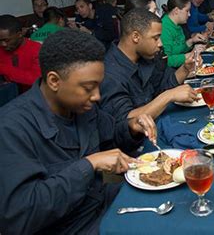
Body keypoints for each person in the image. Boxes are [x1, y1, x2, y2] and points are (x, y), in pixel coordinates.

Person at [0, 29, 157, 234]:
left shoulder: (81, 107)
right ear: (54, 81)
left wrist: (131, 127)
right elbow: (20, 215)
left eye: (99, 86)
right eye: (88, 88)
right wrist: (89, 165)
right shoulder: (12, 127)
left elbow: (112, 136)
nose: (97, 96)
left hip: (99, 205)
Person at [99, 8, 200, 121]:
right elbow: (124, 121)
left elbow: (162, 88)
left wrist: (185, 69)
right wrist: (168, 96)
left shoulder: (145, 56)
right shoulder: (110, 74)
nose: (160, 43)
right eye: (155, 38)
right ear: (136, 37)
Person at [161, 0, 208, 67]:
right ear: (176, 10)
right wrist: (191, 54)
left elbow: (179, 49)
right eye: (187, 11)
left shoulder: (178, 24)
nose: (189, 14)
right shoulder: (164, 28)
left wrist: (191, 41)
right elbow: (166, 61)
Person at [0, 14, 41, 91]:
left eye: (6, 40)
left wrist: (3, 68)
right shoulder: (1, 49)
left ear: (19, 34)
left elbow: (36, 80)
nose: (3, 44)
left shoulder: (36, 49)